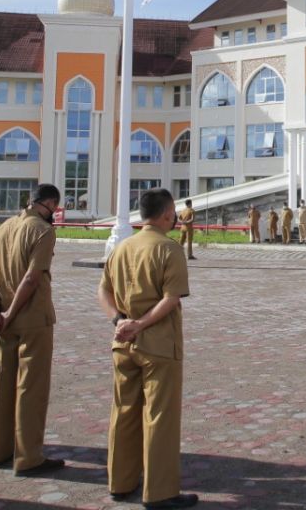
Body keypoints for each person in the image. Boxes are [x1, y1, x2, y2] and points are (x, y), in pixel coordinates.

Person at [98, 189, 198, 509]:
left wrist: (119, 321)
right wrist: (140, 324)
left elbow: (103, 290)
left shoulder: (122, 248)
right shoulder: (169, 249)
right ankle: (159, 491)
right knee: (159, 416)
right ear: (168, 214)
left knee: (123, 412)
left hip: (122, 342)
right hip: (157, 344)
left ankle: (120, 481)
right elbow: (170, 299)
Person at [0, 183, 64, 475]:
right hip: (31, 319)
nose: (53, 213)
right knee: (30, 388)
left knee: (1, 385)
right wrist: (11, 311)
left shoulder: (3, 228)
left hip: (3, 322)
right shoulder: (42, 231)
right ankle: (28, 456)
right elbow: (31, 279)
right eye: (53, 208)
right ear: (48, 203)